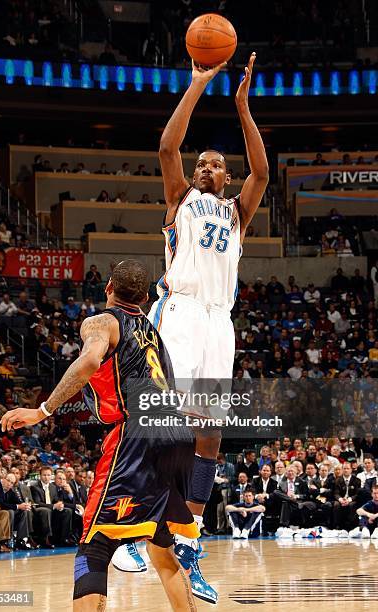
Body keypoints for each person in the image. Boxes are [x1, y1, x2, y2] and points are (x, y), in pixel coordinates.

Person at [1, 260, 197, 612]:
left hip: (137, 433)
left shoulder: (102, 321)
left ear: (108, 287)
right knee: (160, 546)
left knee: (94, 541)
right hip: (177, 432)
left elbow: (90, 360)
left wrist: (42, 410)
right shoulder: (152, 331)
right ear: (145, 296)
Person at [145, 52, 268, 604]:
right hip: (184, 310)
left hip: (221, 320)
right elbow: (168, 147)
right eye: (202, 164)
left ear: (227, 174)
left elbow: (262, 172)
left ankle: (189, 536)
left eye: (216, 164)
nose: (205, 168)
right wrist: (197, 86)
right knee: (162, 414)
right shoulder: (181, 200)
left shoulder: (238, 213)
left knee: (209, 429)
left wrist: (243, 108)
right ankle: (137, 513)